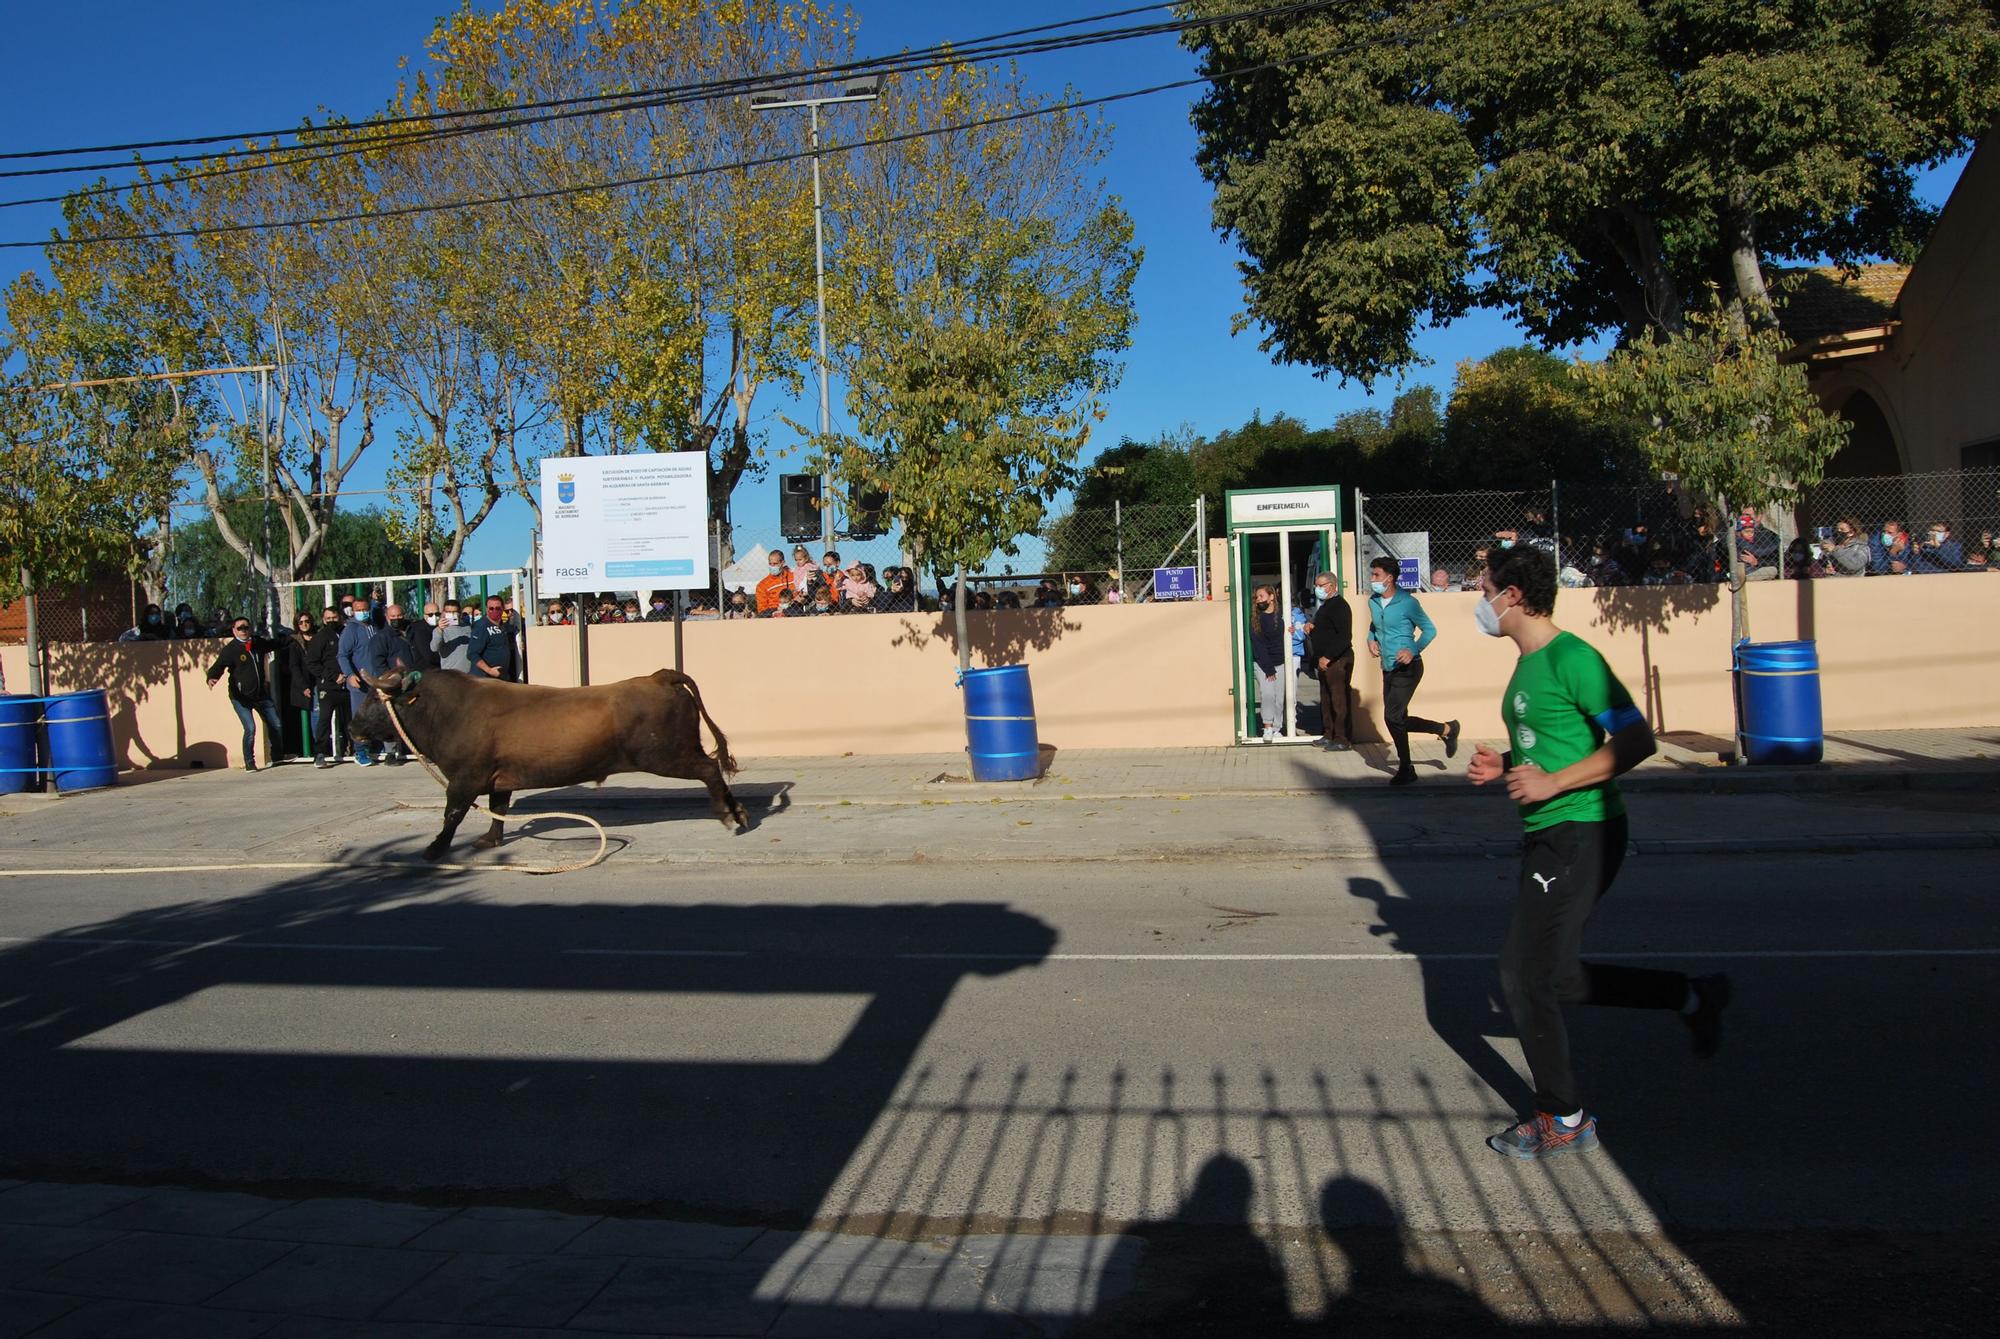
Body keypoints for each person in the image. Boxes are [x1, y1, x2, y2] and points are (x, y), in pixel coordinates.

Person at [1465, 545, 1730, 1161]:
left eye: (1484, 588)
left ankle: (1563, 1117)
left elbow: (1637, 740)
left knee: (1522, 974)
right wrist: (1507, 763)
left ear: (1512, 595)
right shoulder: (1529, 663)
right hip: (1551, 830)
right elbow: (1556, 741)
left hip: (1583, 829)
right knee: (1556, 976)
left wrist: (1553, 783)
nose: (1480, 600)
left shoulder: (1573, 658)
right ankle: (1693, 997)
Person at [1366, 556, 1457, 785]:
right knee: (1399, 718)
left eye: (1376, 575)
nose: (1372, 579)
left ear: (1389, 578)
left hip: (1409, 667)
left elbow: (1430, 630)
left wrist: (1412, 649)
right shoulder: (1373, 601)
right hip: (1388, 666)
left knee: (1392, 717)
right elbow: (1375, 625)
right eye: (1372, 574)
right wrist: (1370, 639)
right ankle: (1446, 729)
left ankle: (1406, 768)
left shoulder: (1408, 602)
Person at [206, 616, 286, 771]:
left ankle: (277, 756)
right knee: (250, 728)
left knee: (275, 724)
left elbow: (272, 644)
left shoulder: (257, 643)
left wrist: (287, 639)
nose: (243, 631)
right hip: (241, 697)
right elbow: (219, 666)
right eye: (240, 628)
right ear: (234, 631)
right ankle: (249, 761)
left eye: (246, 627)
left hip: (260, 694)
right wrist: (212, 677)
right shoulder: (231, 649)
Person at [1305, 571, 1354, 751]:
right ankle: (1329, 734)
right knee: (1326, 699)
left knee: (1338, 700)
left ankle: (1342, 739)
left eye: (1321, 586)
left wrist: (1329, 657)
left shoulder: (1340, 606)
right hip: (1324, 660)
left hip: (1337, 660)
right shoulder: (1326, 606)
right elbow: (1325, 628)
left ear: (1332, 586)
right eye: (1316, 585)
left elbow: (1344, 636)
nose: (1317, 589)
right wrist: (1311, 626)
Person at [336, 594, 382, 766]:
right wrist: (349, 675)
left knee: (378, 715)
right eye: (359, 610)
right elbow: (342, 655)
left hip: (376, 680)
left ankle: (377, 747)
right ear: (353, 611)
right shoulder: (351, 630)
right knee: (360, 716)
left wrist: (376, 601)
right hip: (360, 683)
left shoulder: (373, 626)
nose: (362, 612)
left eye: (365, 609)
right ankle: (360, 751)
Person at [304, 606, 349, 767]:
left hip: (348, 685)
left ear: (340, 618)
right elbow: (312, 663)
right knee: (324, 720)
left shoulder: (346, 633)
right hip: (328, 687)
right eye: (328, 618)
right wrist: (332, 676)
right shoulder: (320, 637)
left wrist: (348, 675)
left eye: (334, 618)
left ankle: (357, 750)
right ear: (323, 620)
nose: (332, 621)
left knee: (350, 720)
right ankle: (320, 754)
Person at [1248, 583, 1286, 741]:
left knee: (1279, 697)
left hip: (1281, 662)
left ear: (1271, 597)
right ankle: (1268, 727)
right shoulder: (1256, 620)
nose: (1258, 600)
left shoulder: (1281, 615)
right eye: (1257, 597)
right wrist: (1269, 669)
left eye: (1261, 596)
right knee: (1268, 695)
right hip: (1264, 665)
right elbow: (1259, 646)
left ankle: (1277, 727)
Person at [282, 611, 319, 753]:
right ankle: (313, 749)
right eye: (301, 622)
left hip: (319, 681)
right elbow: (294, 666)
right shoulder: (294, 642)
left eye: (307, 621)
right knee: (310, 716)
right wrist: (303, 686)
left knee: (319, 716)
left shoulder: (318, 638)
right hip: (304, 684)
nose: (304, 624)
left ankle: (322, 748)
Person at [468, 595, 517, 682]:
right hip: (484, 679)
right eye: (491, 608)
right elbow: (472, 654)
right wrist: (489, 670)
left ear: (502, 609)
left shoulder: (503, 626)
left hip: (500, 678)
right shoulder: (481, 626)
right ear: (487, 609)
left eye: (497, 608)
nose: (494, 611)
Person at [1736, 510, 1780, 581]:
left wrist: (1757, 562)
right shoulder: (1737, 540)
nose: (1750, 534)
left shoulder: (1769, 536)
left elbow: (1775, 560)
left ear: (1759, 516)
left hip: (1756, 569)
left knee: (1772, 570)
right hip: (1744, 571)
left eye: (1748, 515)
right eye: (1743, 514)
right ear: (1739, 532)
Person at [436, 601, 473, 672]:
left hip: (469, 673)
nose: (452, 614)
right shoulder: (439, 630)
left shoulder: (467, 627)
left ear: (460, 613)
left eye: (454, 612)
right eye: (449, 612)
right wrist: (440, 630)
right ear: (444, 613)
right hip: (451, 674)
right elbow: (434, 648)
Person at [756, 550, 792, 616]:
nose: (772, 566)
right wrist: (775, 611)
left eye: (775, 564)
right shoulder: (762, 585)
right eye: (770, 564)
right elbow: (761, 609)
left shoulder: (793, 577)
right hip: (773, 614)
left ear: (782, 563)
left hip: (792, 611)